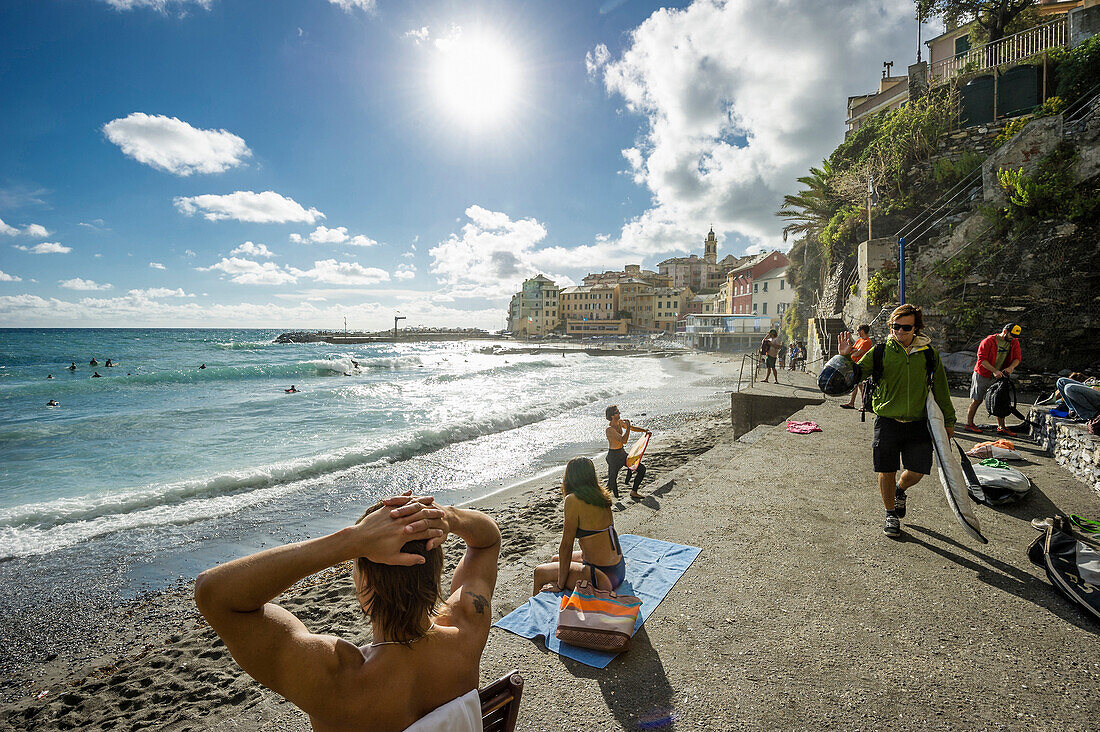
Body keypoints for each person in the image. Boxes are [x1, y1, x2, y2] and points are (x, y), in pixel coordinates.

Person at [195, 494, 500, 732]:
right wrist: (449, 516)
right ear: (437, 575)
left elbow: (213, 593)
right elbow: (487, 541)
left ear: (364, 582)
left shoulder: (332, 676)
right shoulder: (466, 630)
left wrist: (352, 540)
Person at [837, 303, 955, 539]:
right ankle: (890, 512)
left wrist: (949, 421)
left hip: (918, 422)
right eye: (895, 327)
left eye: (905, 328)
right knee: (886, 470)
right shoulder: (881, 351)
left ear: (916, 328)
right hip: (887, 421)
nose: (899, 332)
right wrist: (845, 357)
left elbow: (941, 388)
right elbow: (857, 374)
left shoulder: (929, 354)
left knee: (918, 471)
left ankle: (900, 490)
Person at [533, 457, 626, 595]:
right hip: (617, 570)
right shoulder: (601, 495)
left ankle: (536, 613)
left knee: (539, 572)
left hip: (601, 577)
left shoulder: (572, 499)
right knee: (554, 560)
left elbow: (566, 546)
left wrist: (559, 584)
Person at [964, 323, 1022, 436]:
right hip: (983, 373)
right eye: (1011, 335)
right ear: (1005, 331)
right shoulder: (988, 341)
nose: (1013, 338)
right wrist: (994, 370)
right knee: (977, 400)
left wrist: (1010, 368)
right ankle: (969, 424)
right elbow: (982, 359)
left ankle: (1002, 427)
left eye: (1015, 336)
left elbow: (1017, 358)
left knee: (1000, 400)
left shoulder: (1014, 341)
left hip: (1001, 375)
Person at [605, 404, 649, 500]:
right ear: (612, 416)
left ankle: (634, 491)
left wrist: (644, 431)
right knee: (611, 482)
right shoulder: (609, 430)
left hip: (622, 453)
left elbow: (633, 428)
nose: (619, 413)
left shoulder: (620, 423)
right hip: (613, 457)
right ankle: (601, 500)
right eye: (617, 412)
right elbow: (623, 440)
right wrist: (628, 428)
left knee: (641, 469)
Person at [842, 325, 874, 409]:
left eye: (858, 330)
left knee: (861, 386)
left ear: (862, 331)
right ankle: (852, 403)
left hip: (861, 366)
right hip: (854, 365)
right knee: (855, 385)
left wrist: (851, 352)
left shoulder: (867, 342)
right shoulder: (860, 340)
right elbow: (853, 349)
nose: (857, 332)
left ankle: (864, 405)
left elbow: (857, 353)